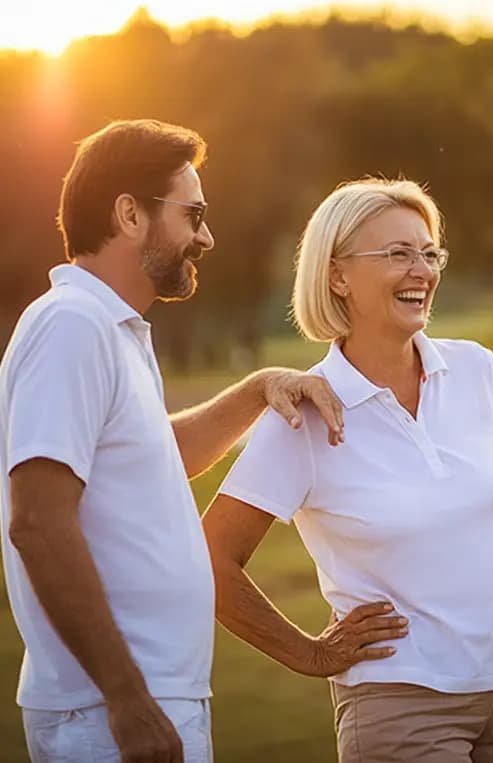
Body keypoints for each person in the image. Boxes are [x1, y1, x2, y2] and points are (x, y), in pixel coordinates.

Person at [0, 119, 345, 763]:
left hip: (141, 699)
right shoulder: (72, 326)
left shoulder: (114, 328)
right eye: (193, 214)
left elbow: (156, 462)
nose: (206, 236)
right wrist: (127, 698)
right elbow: (38, 524)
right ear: (129, 214)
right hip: (107, 711)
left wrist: (257, 389)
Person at [202, 178, 493, 763]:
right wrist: (309, 654)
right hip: (400, 707)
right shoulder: (304, 416)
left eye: (429, 253)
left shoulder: (476, 369)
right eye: (398, 254)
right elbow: (211, 560)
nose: (421, 270)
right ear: (337, 275)